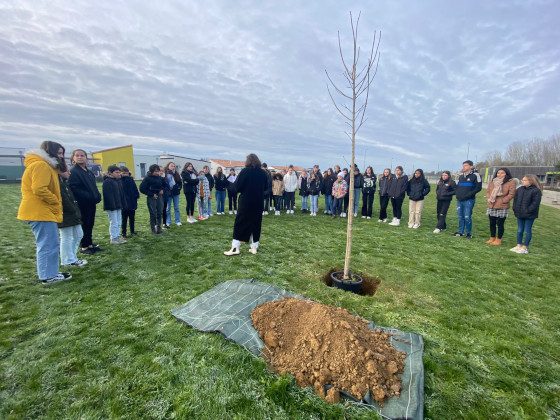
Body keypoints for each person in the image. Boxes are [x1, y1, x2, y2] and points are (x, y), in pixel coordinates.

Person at [17, 141, 72, 284]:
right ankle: (48, 276)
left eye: (62, 153)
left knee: (49, 243)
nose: (61, 156)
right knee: (48, 244)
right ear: (51, 152)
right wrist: (55, 201)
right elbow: (39, 188)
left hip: (42, 211)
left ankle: (50, 273)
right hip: (40, 211)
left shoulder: (45, 166)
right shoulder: (41, 165)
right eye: (59, 153)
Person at [224, 154, 268, 256]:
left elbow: (237, 188)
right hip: (258, 202)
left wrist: (227, 184)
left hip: (246, 202)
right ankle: (254, 247)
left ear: (248, 161)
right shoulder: (263, 173)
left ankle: (235, 248)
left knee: (240, 223)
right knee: (256, 224)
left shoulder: (245, 171)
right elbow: (265, 187)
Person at [68, 149, 102, 255]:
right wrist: (89, 196)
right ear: (73, 158)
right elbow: (74, 188)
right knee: (84, 223)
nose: (80, 157)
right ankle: (84, 246)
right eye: (77, 155)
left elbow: (93, 186)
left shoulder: (88, 171)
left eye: (82, 155)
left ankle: (89, 243)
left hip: (91, 203)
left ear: (86, 158)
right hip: (82, 203)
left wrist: (97, 195)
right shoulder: (74, 171)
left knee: (90, 223)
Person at [58, 166, 86, 267]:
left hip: (73, 214)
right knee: (66, 237)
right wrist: (72, 209)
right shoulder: (58, 184)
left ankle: (72, 257)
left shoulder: (65, 183)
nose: (69, 173)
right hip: (65, 215)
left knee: (79, 234)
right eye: (67, 171)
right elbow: (64, 201)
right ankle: (67, 260)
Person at [511, 175, 542, 254]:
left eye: (524, 180)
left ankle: (525, 247)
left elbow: (535, 204)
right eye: (522, 179)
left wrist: (528, 210)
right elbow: (515, 200)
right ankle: (518, 245)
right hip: (519, 213)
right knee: (519, 230)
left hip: (529, 215)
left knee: (527, 230)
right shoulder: (520, 189)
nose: (522, 181)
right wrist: (515, 209)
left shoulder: (536, 191)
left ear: (530, 181)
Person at [485, 167, 516, 246]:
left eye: (502, 173)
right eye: (498, 173)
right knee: (492, 222)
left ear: (506, 174)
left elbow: (512, 194)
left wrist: (503, 200)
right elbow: (488, 191)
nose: (500, 174)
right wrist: (489, 198)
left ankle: (498, 239)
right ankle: (492, 237)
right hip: (492, 204)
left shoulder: (510, 182)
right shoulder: (493, 181)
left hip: (502, 205)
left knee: (500, 223)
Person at [454, 160, 482, 239]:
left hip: (469, 200)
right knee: (460, 216)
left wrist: (468, 195)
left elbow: (478, 188)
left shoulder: (475, 175)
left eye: (466, 165)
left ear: (471, 166)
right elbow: (457, 187)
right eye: (463, 165)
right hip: (460, 200)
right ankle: (460, 232)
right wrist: (457, 194)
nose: (464, 167)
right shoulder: (461, 176)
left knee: (467, 216)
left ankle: (469, 233)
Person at [103, 165, 126, 244]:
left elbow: (121, 194)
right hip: (112, 206)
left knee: (119, 221)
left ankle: (118, 236)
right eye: (116, 172)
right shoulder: (107, 182)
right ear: (110, 173)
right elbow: (108, 195)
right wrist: (112, 206)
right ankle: (113, 238)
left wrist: (123, 204)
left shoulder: (118, 181)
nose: (119, 174)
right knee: (114, 222)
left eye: (119, 172)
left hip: (119, 205)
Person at [139, 164, 165, 234]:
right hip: (151, 197)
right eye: (155, 171)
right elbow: (142, 189)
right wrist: (151, 194)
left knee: (160, 212)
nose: (157, 173)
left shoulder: (160, 178)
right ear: (151, 171)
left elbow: (164, 185)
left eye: (158, 171)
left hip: (159, 197)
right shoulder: (147, 178)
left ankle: (159, 228)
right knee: (153, 213)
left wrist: (162, 189)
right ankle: (153, 229)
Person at [120, 166, 140, 237]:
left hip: (132, 201)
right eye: (123, 173)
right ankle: (124, 233)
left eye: (126, 173)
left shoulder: (131, 180)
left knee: (132, 218)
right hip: (124, 203)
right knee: (124, 219)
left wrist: (136, 196)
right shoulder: (120, 181)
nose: (125, 174)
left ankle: (132, 231)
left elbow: (135, 189)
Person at [164, 162, 182, 226]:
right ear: (168, 166)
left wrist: (178, 188)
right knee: (167, 208)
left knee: (176, 208)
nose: (173, 167)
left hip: (176, 193)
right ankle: (168, 221)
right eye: (171, 166)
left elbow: (180, 182)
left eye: (174, 166)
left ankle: (177, 221)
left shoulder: (176, 174)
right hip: (168, 194)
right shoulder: (165, 173)